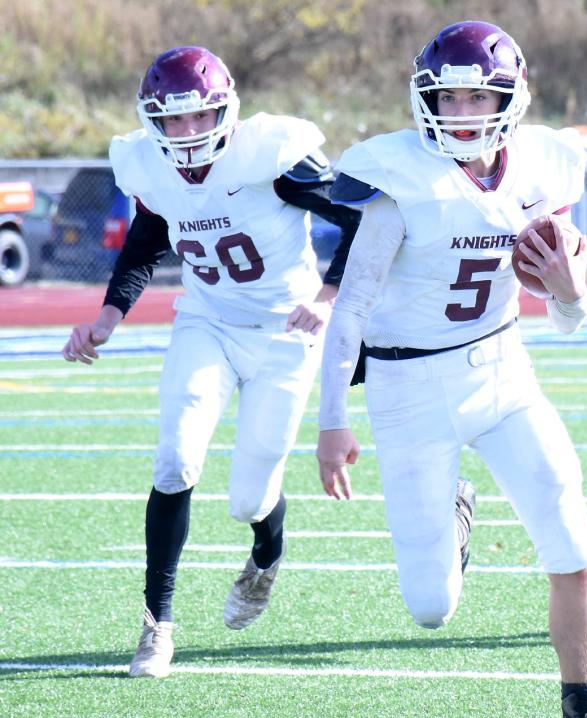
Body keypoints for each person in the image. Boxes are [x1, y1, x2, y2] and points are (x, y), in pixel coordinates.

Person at [315, 21, 587, 718]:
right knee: (430, 605)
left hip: (503, 369)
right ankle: (457, 514)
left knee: (572, 538)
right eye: (449, 96)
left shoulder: (543, 167)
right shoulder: (398, 179)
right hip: (408, 390)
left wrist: (572, 294)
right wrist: (332, 421)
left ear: (510, 97)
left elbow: (570, 318)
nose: (463, 111)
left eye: (478, 95)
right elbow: (350, 309)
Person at [61, 45, 363, 678]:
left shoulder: (269, 157)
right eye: (173, 119)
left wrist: (328, 296)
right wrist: (108, 318)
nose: (188, 131)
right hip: (207, 322)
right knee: (175, 460)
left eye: (201, 117)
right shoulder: (149, 167)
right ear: (153, 121)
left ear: (226, 111)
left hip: (286, 331)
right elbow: (146, 240)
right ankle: (156, 624)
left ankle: (266, 554)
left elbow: (361, 219)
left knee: (250, 497)